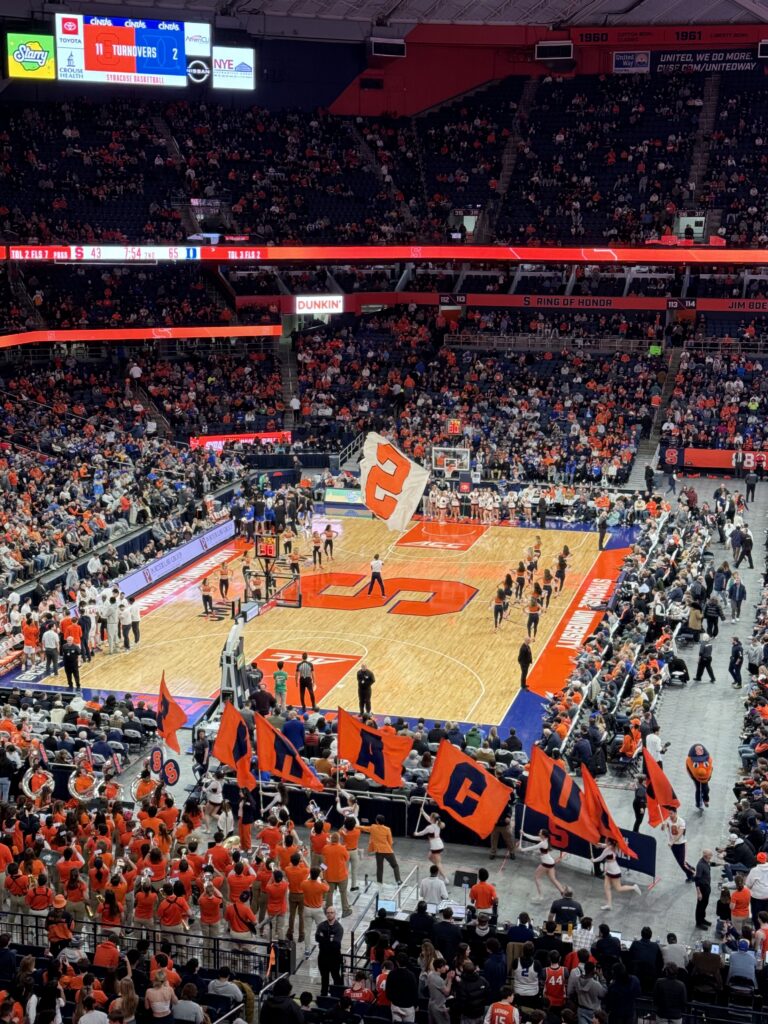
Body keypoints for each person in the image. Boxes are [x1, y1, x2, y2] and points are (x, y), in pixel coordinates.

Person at [591, 840, 641, 910]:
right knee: (606, 887)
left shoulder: (607, 849)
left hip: (614, 871)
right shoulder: (612, 846)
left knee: (618, 888)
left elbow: (601, 858)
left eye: (607, 840)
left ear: (609, 842)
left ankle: (633, 887)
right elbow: (602, 845)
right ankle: (609, 905)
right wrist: (596, 843)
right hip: (609, 870)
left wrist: (593, 860)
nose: (605, 840)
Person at [518, 828, 565, 900]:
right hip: (550, 862)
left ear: (543, 835)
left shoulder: (542, 843)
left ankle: (540, 896)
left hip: (546, 863)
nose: (539, 833)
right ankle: (563, 892)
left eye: (540, 832)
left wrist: (522, 849)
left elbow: (533, 847)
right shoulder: (543, 839)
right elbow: (533, 837)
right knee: (553, 879)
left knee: (536, 877)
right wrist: (524, 834)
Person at [361, 815, 401, 884]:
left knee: (380, 868)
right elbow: (390, 842)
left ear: (377, 821)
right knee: (395, 865)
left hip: (378, 851)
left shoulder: (373, 827)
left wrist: (355, 826)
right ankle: (398, 881)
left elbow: (364, 828)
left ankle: (379, 883)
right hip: (387, 851)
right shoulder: (387, 829)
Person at [316, 906, 344, 997]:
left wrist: (324, 939)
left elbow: (335, 944)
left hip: (334, 957)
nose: (329, 914)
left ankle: (339, 995)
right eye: (328, 912)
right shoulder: (321, 925)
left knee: (336, 976)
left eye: (331, 912)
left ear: (335, 914)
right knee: (324, 977)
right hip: (323, 957)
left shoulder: (339, 928)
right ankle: (323, 995)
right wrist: (329, 940)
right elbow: (317, 938)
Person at [661, 809, 695, 881]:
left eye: (671, 813)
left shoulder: (681, 821)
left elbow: (680, 834)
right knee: (680, 862)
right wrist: (663, 825)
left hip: (681, 844)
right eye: (669, 814)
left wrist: (672, 842)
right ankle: (690, 871)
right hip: (673, 845)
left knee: (682, 863)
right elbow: (662, 829)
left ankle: (693, 874)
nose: (670, 815)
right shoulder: (668, 820)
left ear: (676, 813)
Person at [413, 813, 446, 880]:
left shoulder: (430, 828)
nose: (429, 817)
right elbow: (428, 818)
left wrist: (416, 834)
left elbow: (422, 833)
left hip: (436, 846)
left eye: (431, 816)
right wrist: (423, 812)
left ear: (433, 819)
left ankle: (445, 878)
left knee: (438, 863)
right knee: (429, 857)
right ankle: (439, 867)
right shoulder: (437, 823)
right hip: (437, 844)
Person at [685, 743, 713, 810]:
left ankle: (705, 799)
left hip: (705, 778)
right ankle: (698, 804)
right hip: (696, 777)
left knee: (706, 789)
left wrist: (709, 776)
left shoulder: (707, 758)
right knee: (698, 789)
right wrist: (693, 777)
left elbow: (711, 768)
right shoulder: (690, 760)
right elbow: (688, 769)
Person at [427, 959, 455, 1024]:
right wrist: (450, 979)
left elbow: (441, 986)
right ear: (438, 968)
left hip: (432, 1005)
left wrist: (447, 978)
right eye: (443, 966)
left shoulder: (431, 974)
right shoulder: (438, 979)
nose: (446, 967)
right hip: (438, 1007)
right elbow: (447, 992)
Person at [694, 849, 715, 929]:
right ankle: (698, 923)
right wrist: (699, 893)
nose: (711, 856)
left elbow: (712, 864)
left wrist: (721, 864)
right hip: (702, 889)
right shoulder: (700, 865)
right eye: (710, 855)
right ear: (706, 856)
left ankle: (702, 919)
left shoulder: (706, 862)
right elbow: (697, 879)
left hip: (707, 888)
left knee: (705, 904)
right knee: (700, 906)